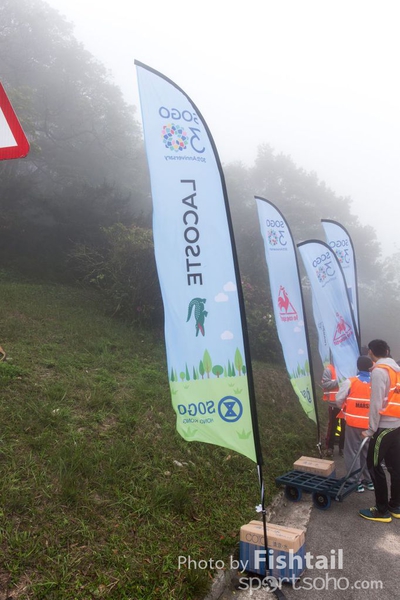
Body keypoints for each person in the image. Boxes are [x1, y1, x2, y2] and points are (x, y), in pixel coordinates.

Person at [359, 339, 400, 522]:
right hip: (397, 426)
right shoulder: (396, 370)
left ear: (370, 352)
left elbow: (376, 403)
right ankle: (396, 505)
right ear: (388, 351)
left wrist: (370, 430)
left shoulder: (379, 372)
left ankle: (381, 510)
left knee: (374, 466)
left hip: (383, 427)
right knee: (395, 467)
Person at [335, 355, 374, 493]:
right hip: (370, 425)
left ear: (357, 366)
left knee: (352, 451)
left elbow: (339, 399)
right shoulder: (376, 382)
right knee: (366, 452)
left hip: (353, 423)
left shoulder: (350, 382)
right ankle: (369, 480)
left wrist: (346, 409)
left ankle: (355, 481)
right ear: (371, 367)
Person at [321, 363, 345, 457]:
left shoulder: (348, 367)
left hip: (346, 405)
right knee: (332, 426)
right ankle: (330, 448)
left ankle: (342, 448)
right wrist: (339, 381)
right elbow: (325, 384)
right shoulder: (329, 369)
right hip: (333, 404)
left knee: (345, 427)